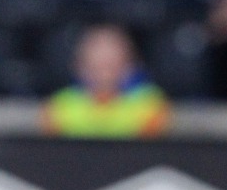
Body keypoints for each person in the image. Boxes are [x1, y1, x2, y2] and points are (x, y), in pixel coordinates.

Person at [40, 23, 172, 138]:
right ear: (80, 67)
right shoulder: (60, 107)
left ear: (130, 66)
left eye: (111, 66)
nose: (104, 76)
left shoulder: (149, 103)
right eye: (97, 67)